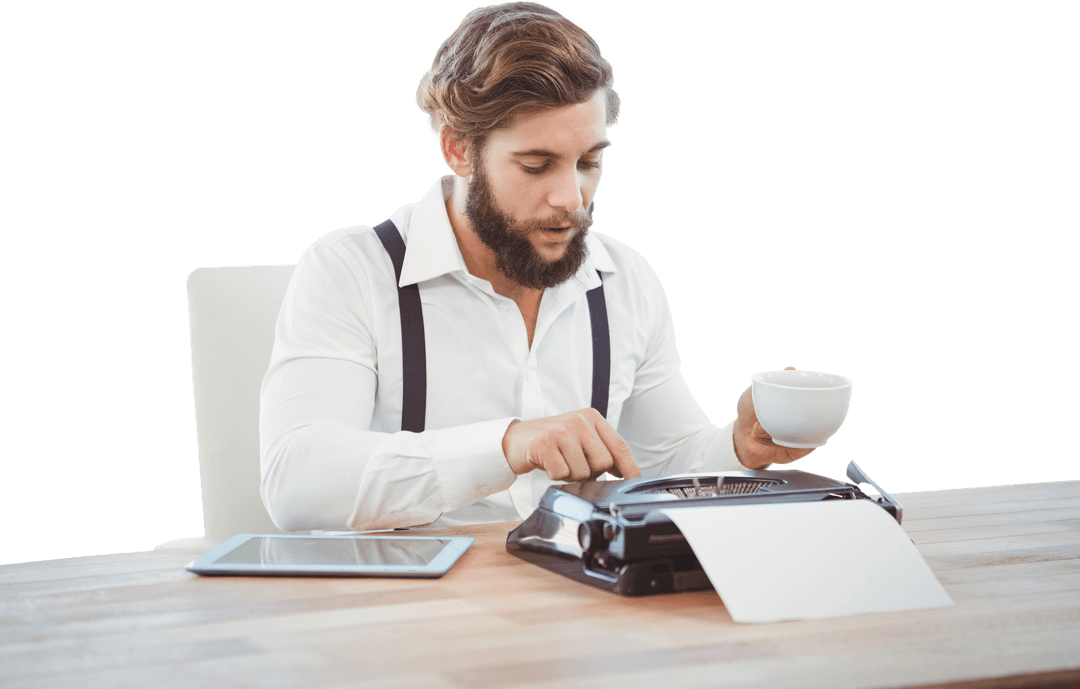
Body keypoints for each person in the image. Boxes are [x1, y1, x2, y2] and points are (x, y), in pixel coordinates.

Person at [259, 1, 811, 533]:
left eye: (589, 161)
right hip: (417, 592)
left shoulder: (626, 280)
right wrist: (506, 444)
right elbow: (296, 482)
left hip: (572, 585)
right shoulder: (351, 270)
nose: (571, 198)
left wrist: (739, 447)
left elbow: (664, 463)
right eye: (536, 165)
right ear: (458, 150)